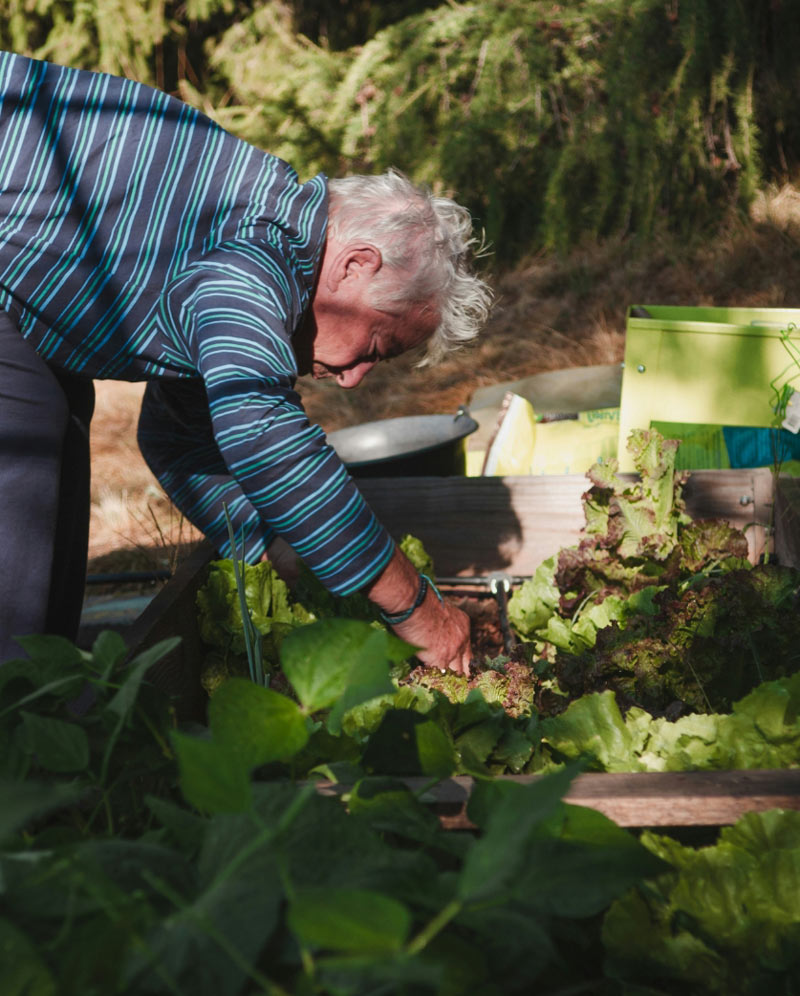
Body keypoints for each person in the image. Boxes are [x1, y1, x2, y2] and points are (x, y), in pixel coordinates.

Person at [0, 50, 493, 672]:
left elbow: (180, 437)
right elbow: (262, 432)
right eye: (374, 347)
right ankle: (21, 731)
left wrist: (275, 546)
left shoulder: (255, 233)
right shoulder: (254, 261)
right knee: (24, 435)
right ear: (356, 263)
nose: (352, 377)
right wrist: (415, 608)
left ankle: (39, 708)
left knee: (57, 419)